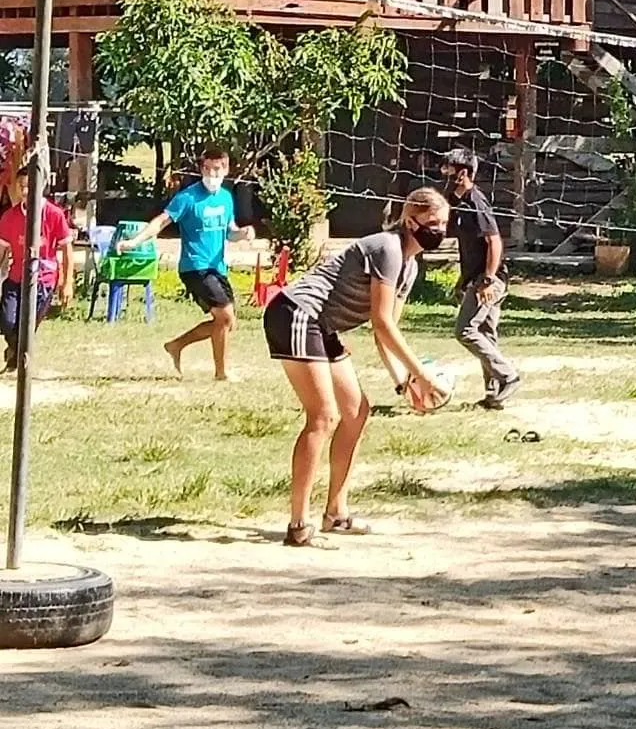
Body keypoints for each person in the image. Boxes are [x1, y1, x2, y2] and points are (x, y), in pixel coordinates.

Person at [264, 187, 451, 546]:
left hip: (323, 325)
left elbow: (385, 334)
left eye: (443, 223)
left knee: (357, 412)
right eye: (431, 222)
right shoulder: (388, 248)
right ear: (410, 221)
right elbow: (381, 322)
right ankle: (298, 525)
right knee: (324, 417)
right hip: (296, 314)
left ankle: (336, 514)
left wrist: (405, 384)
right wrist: (424, 375)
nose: (438, 230)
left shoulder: (409, 267)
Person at [117, 146, 253, 381]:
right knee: (225, 317)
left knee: (227, 323)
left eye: (217, 169)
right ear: (201, 169)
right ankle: (221, 373)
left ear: (226, 169)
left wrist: (242, 233)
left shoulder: (226, 198)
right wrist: (135, 241)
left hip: (217, 267)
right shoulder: (188, 197)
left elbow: (230, 231)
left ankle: (176, 345)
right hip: (195, 267)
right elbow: (160, 222)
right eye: (207, 169)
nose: (212, 174)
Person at [441, 149, 519, 409]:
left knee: (465, 331)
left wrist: (487, 280)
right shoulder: (460, 203)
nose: (443, 173)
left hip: (490, 279)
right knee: (486, 333)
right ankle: (494, 394)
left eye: (448, 169)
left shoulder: (477, 201)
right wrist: (463, 281)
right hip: (476, 277)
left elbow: (494, 242)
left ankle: (507, 375)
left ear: (463, 173)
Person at [0, 172, 73, 372]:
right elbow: (2, 250)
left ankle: (19, 358)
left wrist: (67, 283)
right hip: (16, 278)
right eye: (21, 186)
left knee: (29, 326)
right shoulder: (9, 217)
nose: (25, 191)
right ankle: (15, 350)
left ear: (41, 186)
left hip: (43, 280)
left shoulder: (54, 214)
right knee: (7, 321)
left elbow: (67, 250)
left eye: (30, 186)